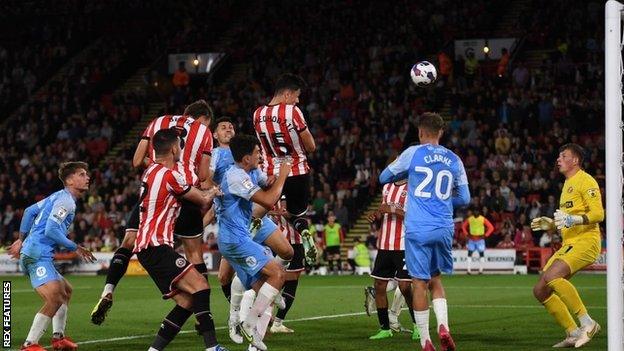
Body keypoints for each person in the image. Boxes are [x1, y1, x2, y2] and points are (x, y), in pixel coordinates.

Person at [91, 100, 214, 325]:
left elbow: (137, 160)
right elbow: (204, 175)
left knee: (129, 240)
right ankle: (201, 315)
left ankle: (108, 290)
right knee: (194, 253)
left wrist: (158, 165)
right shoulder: (204, 131)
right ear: (203, 119)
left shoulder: (158, 122)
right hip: (185, 193)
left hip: (155, 191)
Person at [379, 112, 470, 351]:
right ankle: (443, 327)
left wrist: (403, 171)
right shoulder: (454, 159)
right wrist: (442, 202)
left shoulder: (412, 153)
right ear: (441, 132)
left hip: (417, 228)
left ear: (420, 132)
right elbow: (465, 197)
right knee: (436, 280)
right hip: (442, 227)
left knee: (419, 283)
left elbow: (383, 177)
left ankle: (425, 341)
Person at [132, 129, 225, 351]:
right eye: (180, 146)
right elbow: (202, 199)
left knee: (188, 301)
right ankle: (212, 347)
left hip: (148, 247)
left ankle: (154, 350)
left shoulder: (150, 172)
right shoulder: (169, 175)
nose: (181, 150)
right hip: (155, 246)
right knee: (201, 286)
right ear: (174, 148)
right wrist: (215, 191)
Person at [208, 117, 292, 344]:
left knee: (265, 286)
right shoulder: (229, 170)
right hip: (235, 237)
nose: (260, 156)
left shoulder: (248, 169)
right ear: (246, 158)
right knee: (276, 275)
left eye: (231, 125)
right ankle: (244, 320)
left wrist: (272, 178)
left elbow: (265, 184)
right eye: (257, 153)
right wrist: (284, 173)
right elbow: (268, 199)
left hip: (242, 230)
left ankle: (254, 337)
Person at [8, 162, 96, 351]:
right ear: (70, 180)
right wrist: (76, 247)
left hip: (36, 251)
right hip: (36, 254)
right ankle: (29, 344)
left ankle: (58, 339)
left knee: (66, 291)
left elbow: (29, 211)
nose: (87, 177)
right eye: (82, 174)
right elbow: (51, 229)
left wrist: (20, 239)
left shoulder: (58, 196)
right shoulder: (66, 201)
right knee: (55, 299)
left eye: (86, 174)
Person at [530, 143, 603, 348]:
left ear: (575, 160)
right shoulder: (567, 184)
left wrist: (574, 220)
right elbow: (567, 220)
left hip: (586, 240)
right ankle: (572, 332)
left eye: (563, 156)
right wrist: (552, 225)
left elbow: (599, 214)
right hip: (570, 242)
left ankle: (588, 323)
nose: (558, 159)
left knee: (553, 276)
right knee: (540, 291)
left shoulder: (585, 180)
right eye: (559, 156)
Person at [252, 73, 317, 264]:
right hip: (297, 171)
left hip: (270, 172)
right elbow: (311, 146)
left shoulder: (257, 114)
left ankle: (250, 234)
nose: (297, 101)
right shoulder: (292, 112)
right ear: (287, 94)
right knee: (296, 213)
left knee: (262, 209)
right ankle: (304, 231)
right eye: (296, 96)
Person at [363, 179, 419, 340]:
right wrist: (375, 213)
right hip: (385, 244)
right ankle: (385, 328)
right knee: (379, 285)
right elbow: (383, 209)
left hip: (403, 243)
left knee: (405, 287)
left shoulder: (413, 187)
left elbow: (414, 216)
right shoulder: (386, 187)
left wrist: (393, 209)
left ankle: (418, 326)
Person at [269, 196, 306, 333]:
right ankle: (273, 321)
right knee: (289, 281)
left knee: (285, 280)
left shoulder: (273, 194)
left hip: (281, 240)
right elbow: (285, 212)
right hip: (291, 242)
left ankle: (272, 319)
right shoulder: (287, 193)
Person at [461, 208, 494, 274]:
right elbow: (463, 226)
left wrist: (485, 235)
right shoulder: (470, 219)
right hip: (472, 239)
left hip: (480, 239)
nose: (476, 212)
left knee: (481, 254)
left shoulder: (482, 219)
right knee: (469, 254)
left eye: (477, 211)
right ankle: (468, 270)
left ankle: (481, 270)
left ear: (479, 212)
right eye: (475, 211)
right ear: (473, 212)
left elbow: (491, 227)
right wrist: (467, 234)